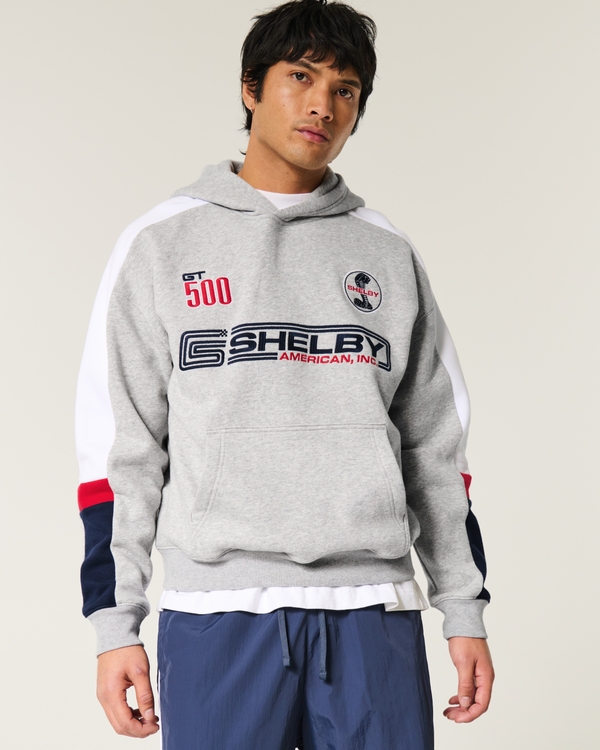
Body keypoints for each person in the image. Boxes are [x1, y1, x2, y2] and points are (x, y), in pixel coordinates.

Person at [76, 1, 494, 747]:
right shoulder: (161, 244)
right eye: (301, 76)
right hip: (216, 615)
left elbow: (436, 447)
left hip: (373, 609)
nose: (322, 104)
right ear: (250, 87)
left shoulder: (386, 253)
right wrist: (116, 624)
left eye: (345, 89)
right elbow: (121, 448)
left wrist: (462, 607)